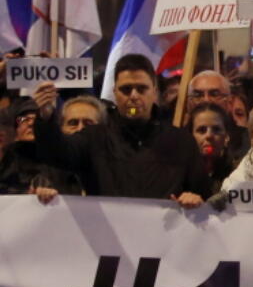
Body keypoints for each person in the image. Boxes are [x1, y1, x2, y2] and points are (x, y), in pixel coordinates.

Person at [31, 54, 209, 206]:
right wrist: (46, 117)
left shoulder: (181, 142)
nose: (133, 96)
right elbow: (57, 153)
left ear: (154, 92)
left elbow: (203, 194)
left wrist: (194, 198)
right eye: (126, 89)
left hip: (164, 244)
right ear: (114, 92)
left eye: (141, 89)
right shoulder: (94, 138)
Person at [187, 102, 233, 194]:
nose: (209, 135)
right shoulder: (180, 173)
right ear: (190, 136)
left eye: (216, 130)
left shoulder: (238, 172)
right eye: (201, 130)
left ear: (226, 137)